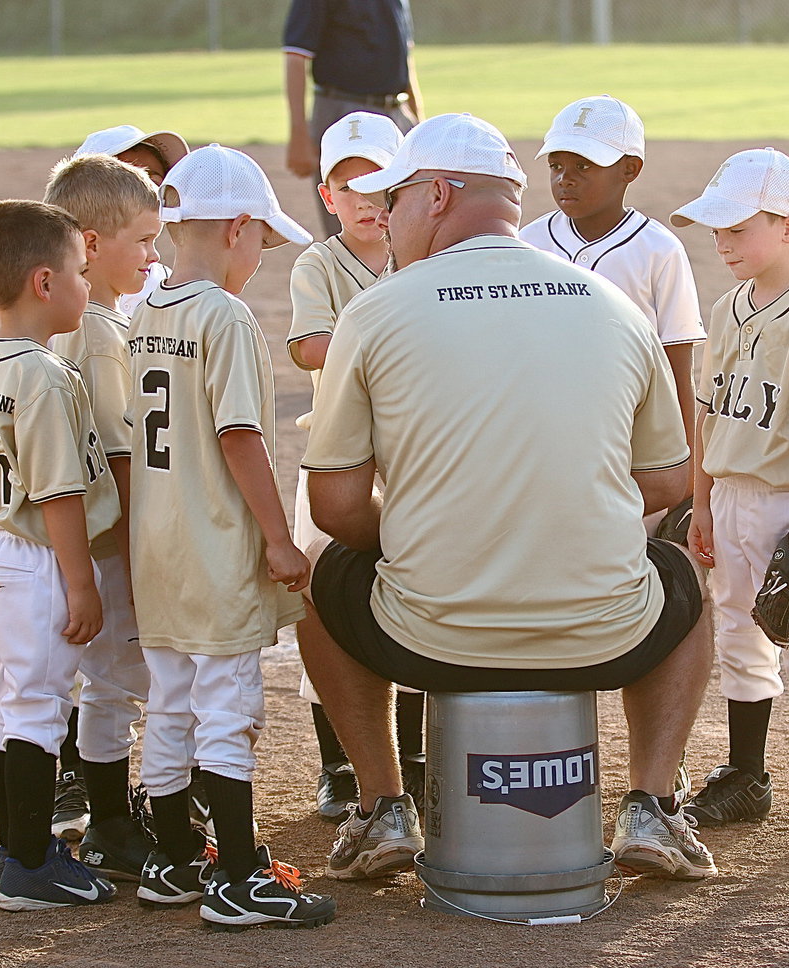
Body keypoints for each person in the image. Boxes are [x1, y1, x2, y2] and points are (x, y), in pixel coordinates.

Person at [297, 113, 715, 883]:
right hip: (606, 633)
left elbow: (335, 507)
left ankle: (383, 803)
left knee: (321, 571)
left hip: (428, 636)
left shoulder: (375, 311)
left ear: (440, 195)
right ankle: (654, 802)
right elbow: (667, 480)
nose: (385, 220)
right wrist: (563, 498)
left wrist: (433, 527)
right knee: (681, 571)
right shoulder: (616, 308)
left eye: (395, 200)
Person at [125, 144, 336, 929]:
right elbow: (241, 436)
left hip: (157, 545)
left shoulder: (147, 309)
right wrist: (280, 540)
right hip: (214, 544)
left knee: (171, 705)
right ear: (239, 228)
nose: (261, 260)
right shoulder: (225, 316)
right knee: (226, 706)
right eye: (263, 244)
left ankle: (174, 859)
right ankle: (241, 878)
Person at [670, 147, 789, 845]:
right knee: (742, 636)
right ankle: (747, 776)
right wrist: (703, 503)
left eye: (737, 229)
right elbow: (707, 415)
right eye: (717, 232)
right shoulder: (725, 308)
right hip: (730, 494)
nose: (723, 244)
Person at [0, 199, 119, 911]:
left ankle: (16, 852)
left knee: (7, 708)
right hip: (37, 559)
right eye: (81, 273)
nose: (88, 287)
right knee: (38, 712)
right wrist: (81, 586)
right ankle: (29, 863)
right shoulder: (45, 375)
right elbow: (59, 496)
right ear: (44, 284)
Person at [284, 111, 424, 822]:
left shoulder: (422, 255)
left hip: (410, 456)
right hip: (337, 458)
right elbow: (309, 346)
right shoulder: (318, 263)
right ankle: (338, 764)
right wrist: (382, 338)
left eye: (380, 183)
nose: (367, 200)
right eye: (349, 185)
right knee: (325, 600)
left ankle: (416, 760)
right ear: (329, 196)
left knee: (423, 592)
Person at [42, 154, 162, 882]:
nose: (154, 255)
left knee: (107, 685)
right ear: (89, 244)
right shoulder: (97, 332)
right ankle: (116, 826)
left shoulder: (82, 323)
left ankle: (114, 819)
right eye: (144, 240)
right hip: (111, 541)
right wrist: (146, 548)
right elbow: (119, 457)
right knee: (124, 683)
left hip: (88, 540)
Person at [520, 95, 704, 500]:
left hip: (633, 436)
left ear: (629, 169)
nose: (565, 179)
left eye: (584, 166)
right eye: (556, 166)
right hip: (541, 435)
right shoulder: (527, 243)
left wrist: (686, 472)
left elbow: (678, 367)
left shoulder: (659, 250)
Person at [282, 0, 423, 235]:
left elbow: (404, 59)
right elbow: (296, 56)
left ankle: (399, 272)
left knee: (405, 218)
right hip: (342, 108)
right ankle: (348, 272)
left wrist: (417, 121)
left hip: (395, 109)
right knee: (349, 218)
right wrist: (299, 133)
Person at [72, 125, 190, 316]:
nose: (145, 190)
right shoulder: (52, 288)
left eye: (154, 181)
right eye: (128, 180)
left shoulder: (168, 286)